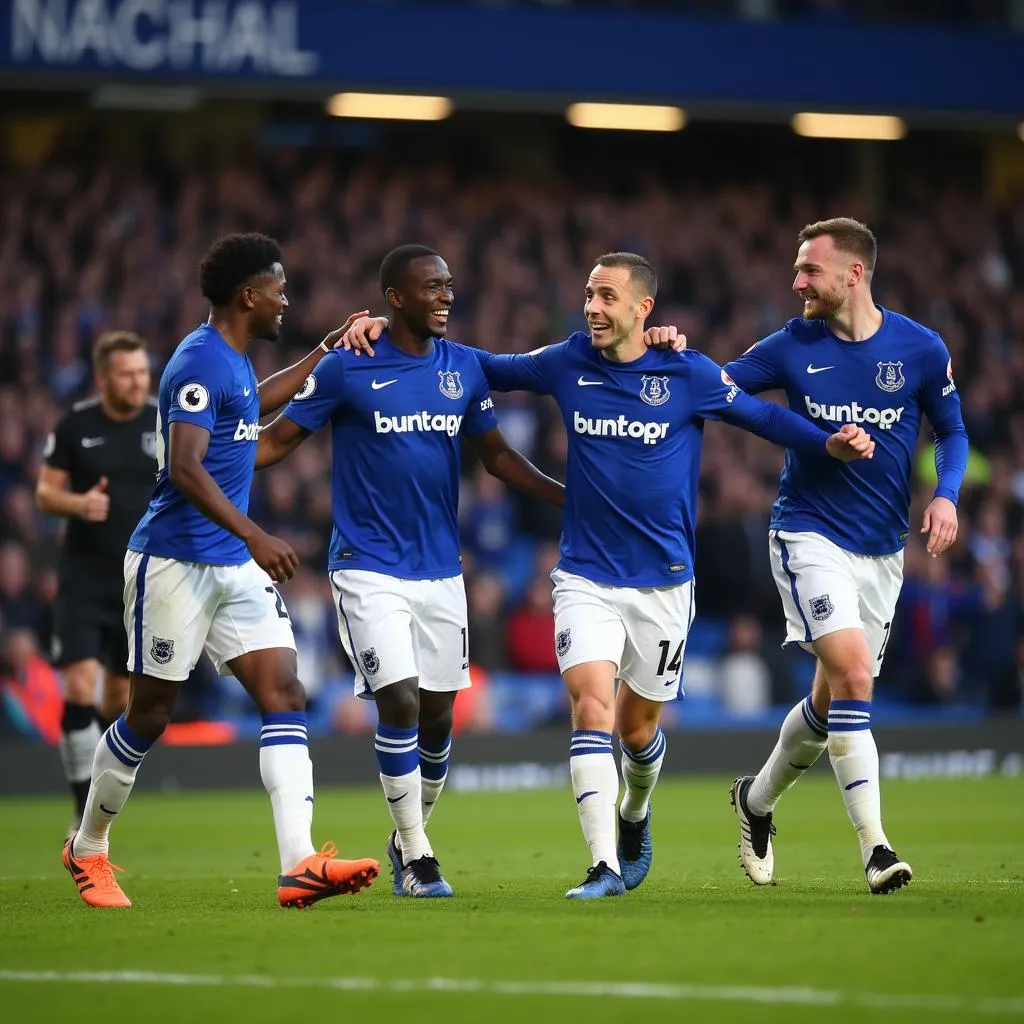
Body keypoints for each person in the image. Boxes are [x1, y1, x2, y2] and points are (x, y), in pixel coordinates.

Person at [339, 251, 874, 898]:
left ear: (643, 309)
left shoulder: (686, 371)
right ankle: (603, 866)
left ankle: (634, 813)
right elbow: (470, 365)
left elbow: (763, 417)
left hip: (665, 583)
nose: (592, 307)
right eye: (589, 294)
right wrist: (373, 332)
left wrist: (828, 441)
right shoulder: (568, 362)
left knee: (637, 729)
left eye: (607, 297)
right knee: (591, 706)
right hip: (585, 576)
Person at [61, 232, 379, 909]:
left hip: (231, 566)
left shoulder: (231, 361)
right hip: (173, 563)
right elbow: (185, 467)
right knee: (148, 715)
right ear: (248, 296)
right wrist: (258, 532)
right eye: (279, 289)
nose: (285, 300)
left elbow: (254, 409)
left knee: (284, 692)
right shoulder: (199, 362)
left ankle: (299, 863)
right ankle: (87, 848)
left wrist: (324, 350)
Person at [652, 218, 969, 894]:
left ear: (854, 274)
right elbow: (717, 388)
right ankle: (877, 849)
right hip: (808, 533)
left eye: (810, 271)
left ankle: (755, 802)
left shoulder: (919, 348)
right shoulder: (792, 346)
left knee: (832, 702)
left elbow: (953, 430)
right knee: (855, 674)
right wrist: (671, 348)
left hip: (882, 551)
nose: (796, 282)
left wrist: (945, 495)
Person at [256, 245, 565, 898]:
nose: (447, 296)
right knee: (396, 695)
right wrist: (200, 465)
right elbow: (276, 440)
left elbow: (499, 458)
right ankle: (420, 855)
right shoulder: (350, 366)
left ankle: (405, 837)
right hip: (367, 567)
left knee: (439, 715)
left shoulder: (464, 370)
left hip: (439, 571)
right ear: (396, 298)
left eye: (450, 285)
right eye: (432, 287)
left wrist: (569, 497)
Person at [36, 331, 157, 837]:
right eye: (127, 373)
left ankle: (96, 815)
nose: (138, 381)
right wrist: (79, 505)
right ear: (104, 378)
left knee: (117, 705)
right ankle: (80, 819)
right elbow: (45, 494)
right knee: (80, 688)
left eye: (143, 371)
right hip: (85, 579)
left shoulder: (163, 418)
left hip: (142, 582)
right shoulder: (75, 425)